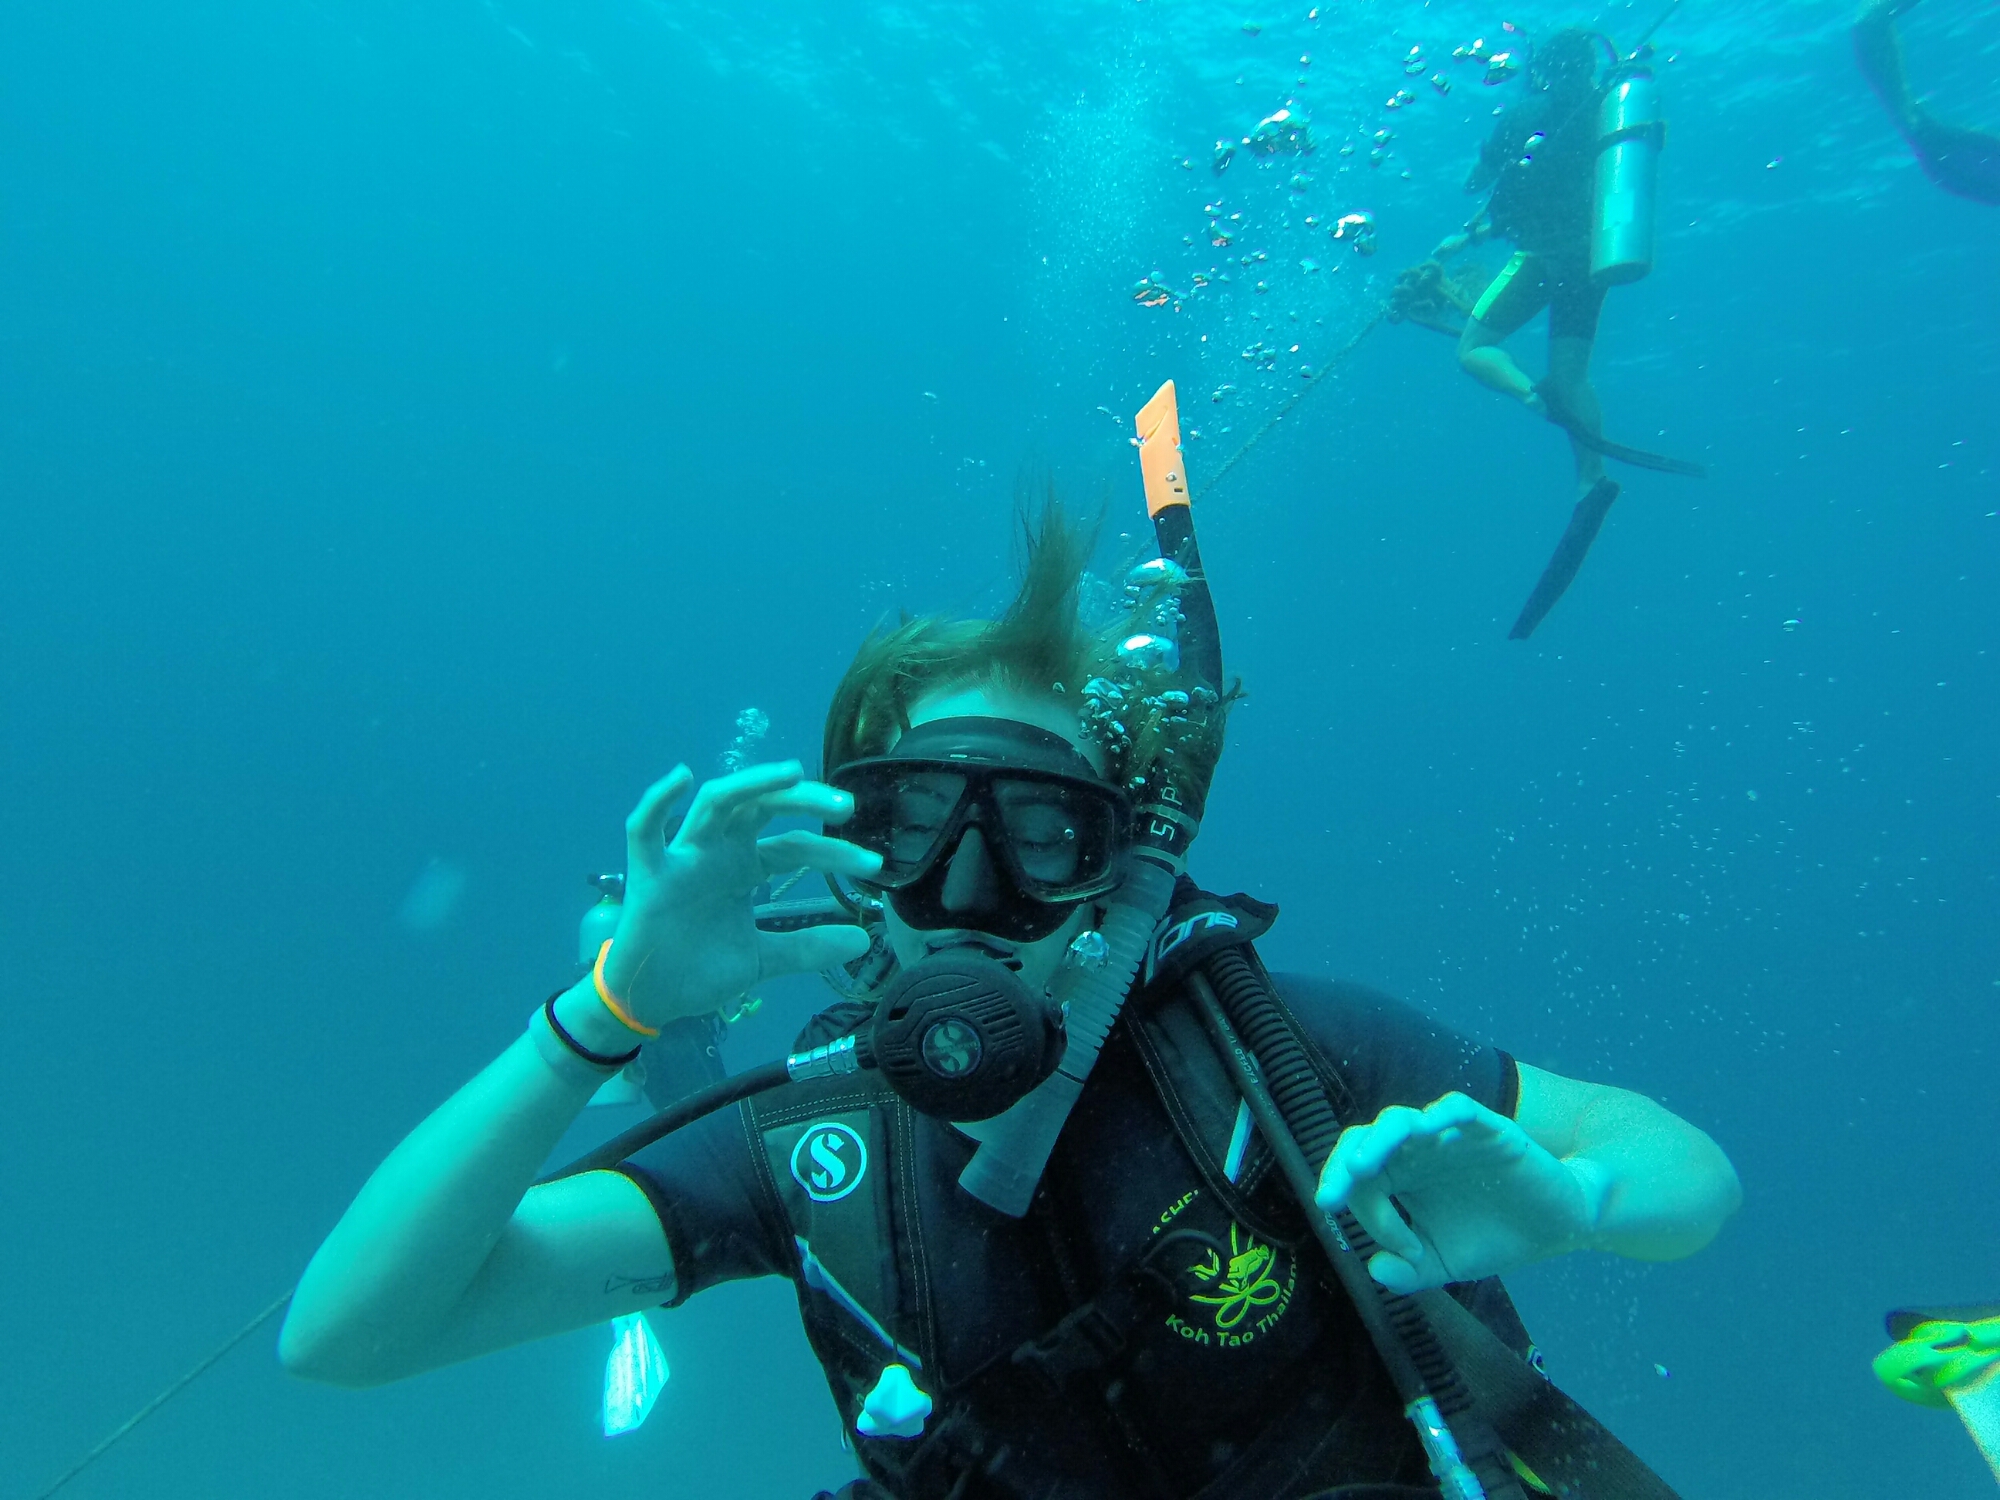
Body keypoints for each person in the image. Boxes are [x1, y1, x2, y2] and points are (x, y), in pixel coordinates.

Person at [280, 505, 1742, 1498]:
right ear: (849, 858)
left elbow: (1689, 1171)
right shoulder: (807, 1147)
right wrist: (611, 1007)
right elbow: (349, 1336)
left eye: (1040, 832)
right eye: (915, 824)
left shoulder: (1269, 1053)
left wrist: (1582, 1200)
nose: (969, 888)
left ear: (1115, 869)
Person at [1437, 28, 1617, 508]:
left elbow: (1479, 183)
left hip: (1538, 259)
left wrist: (1482, 187)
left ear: (1543, 71)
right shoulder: (1609, 111)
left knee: (1472, 350)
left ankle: (1536, 397)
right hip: (1592, 259)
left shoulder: (1525, 115)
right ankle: (1592, 478)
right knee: (1573, 376)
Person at [1853, 0, 2000, 205]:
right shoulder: (1943, 167)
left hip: (1930, 143)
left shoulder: (1941, 167)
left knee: (1868, 23)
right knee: (1868, 23)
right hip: (1931, 143)